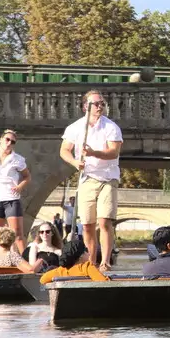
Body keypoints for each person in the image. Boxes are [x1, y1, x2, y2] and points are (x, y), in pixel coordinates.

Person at [60, 89, 123, 272]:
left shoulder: (111, 127)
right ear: (85, 106)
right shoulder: (75, 127)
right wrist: (74, 162)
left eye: (102, 103)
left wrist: (94, 152)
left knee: (104, 222)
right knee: (87, 224)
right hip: (87, 177)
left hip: (108, 177)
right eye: (97, 104)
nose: (101, 106)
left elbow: (113, 152)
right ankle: (91, 262)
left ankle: (105, 261)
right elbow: (64, 150)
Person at [38, 236, 111, 284]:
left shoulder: (61, 270)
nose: (89, 253)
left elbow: (42, 280)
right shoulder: (86, 267)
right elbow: (102, 282)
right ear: (81, 256)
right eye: (86, 251)